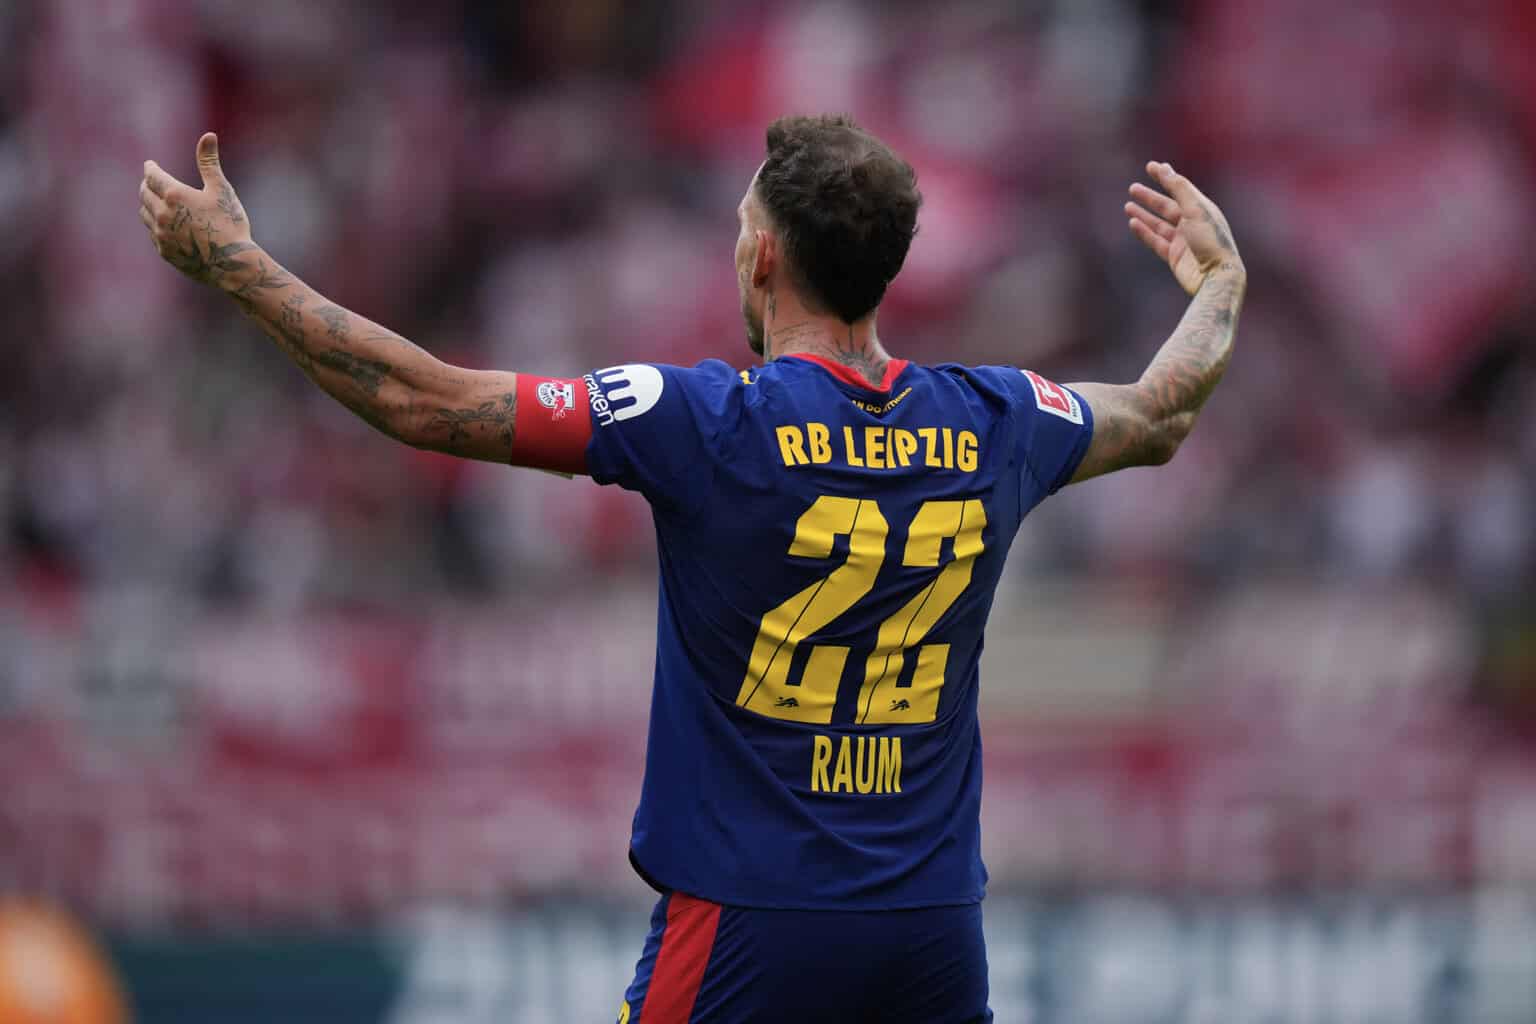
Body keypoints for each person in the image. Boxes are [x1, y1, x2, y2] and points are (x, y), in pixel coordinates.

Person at [138, 114, 1244, 1023]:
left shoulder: (709, 421)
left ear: (763, 257)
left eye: (740, 228)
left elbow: (424, 401)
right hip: (931, 934)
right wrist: (1219, 285)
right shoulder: (996, 419)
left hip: (747, 927)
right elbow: (1157, 413)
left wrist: (234, 264)